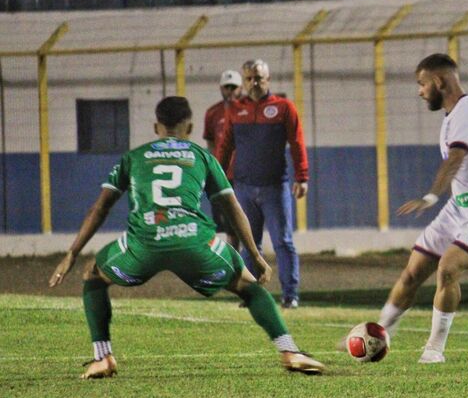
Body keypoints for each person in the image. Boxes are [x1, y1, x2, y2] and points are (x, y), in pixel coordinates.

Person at [48, 96, 324, 379]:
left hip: (144, 244)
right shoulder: (202, 156)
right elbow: (231, 207)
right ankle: (289, 351)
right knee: (249, 287)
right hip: (194, 242)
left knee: (93, 275)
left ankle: (102, 357)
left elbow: (100, 207)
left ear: (156, 127)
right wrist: (254, 256)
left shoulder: (134, 157)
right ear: (189, 127)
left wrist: (71, 253)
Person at [347, 53, 468, 364]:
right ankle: (378, 334)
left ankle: (434, 349)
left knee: (447, 268)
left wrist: (430, 197)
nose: (419, 91)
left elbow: (455, 159)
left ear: (439, 81)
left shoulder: (463, 115)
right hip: (461, 208)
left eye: (422, 84)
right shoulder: (464, 111)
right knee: (413, 272)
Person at [217, 59, 309, 309]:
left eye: (258, 78)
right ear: (243, 82)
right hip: (244, 188)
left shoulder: (283, 108)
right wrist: (216, 175)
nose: (253, 83)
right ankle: (251, 294)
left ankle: (290, 295)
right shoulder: (235, 110)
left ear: (267, 79)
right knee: (249, 243)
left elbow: (297, 142)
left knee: (283, 242)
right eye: (248, 78)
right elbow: (226, 145)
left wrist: (302, 177)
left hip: (275, 188)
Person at [202, 69, 242, 249]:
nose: (230, 91)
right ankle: (233, 257)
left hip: (244, 173)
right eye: (227, 87)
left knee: (244, 218)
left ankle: (249, 259)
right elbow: (210, 142)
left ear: (241, 88)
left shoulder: (247, 110)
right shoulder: (213, 113)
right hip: (223, 174)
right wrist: (212, 168)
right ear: (221, 88)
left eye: (234, 87)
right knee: (226, 222)